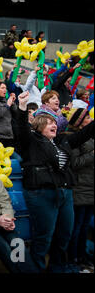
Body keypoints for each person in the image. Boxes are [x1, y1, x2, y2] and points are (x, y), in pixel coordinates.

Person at [15, 91, 95, 273]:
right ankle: (36, 268)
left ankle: (57, 268)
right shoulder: (32, 141)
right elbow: (20, 128)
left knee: (64, 234)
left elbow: (85, 133)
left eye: (54, 123)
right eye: (49, 123)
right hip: (42, 193)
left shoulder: (62, 141)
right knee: (44, 236)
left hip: (64, 192)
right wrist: (21, 107)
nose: (54, 125)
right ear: (39, 126)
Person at [65, 108, 94, 271]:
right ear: (79, 121)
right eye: (87, 117)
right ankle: (73, 259)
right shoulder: (73, 138)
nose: (90, 119)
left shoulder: (89, 136)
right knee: (76, 228)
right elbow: (74, 163)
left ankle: (82, 257)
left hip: (90, 188)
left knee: (84, 227)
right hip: (80, 188)